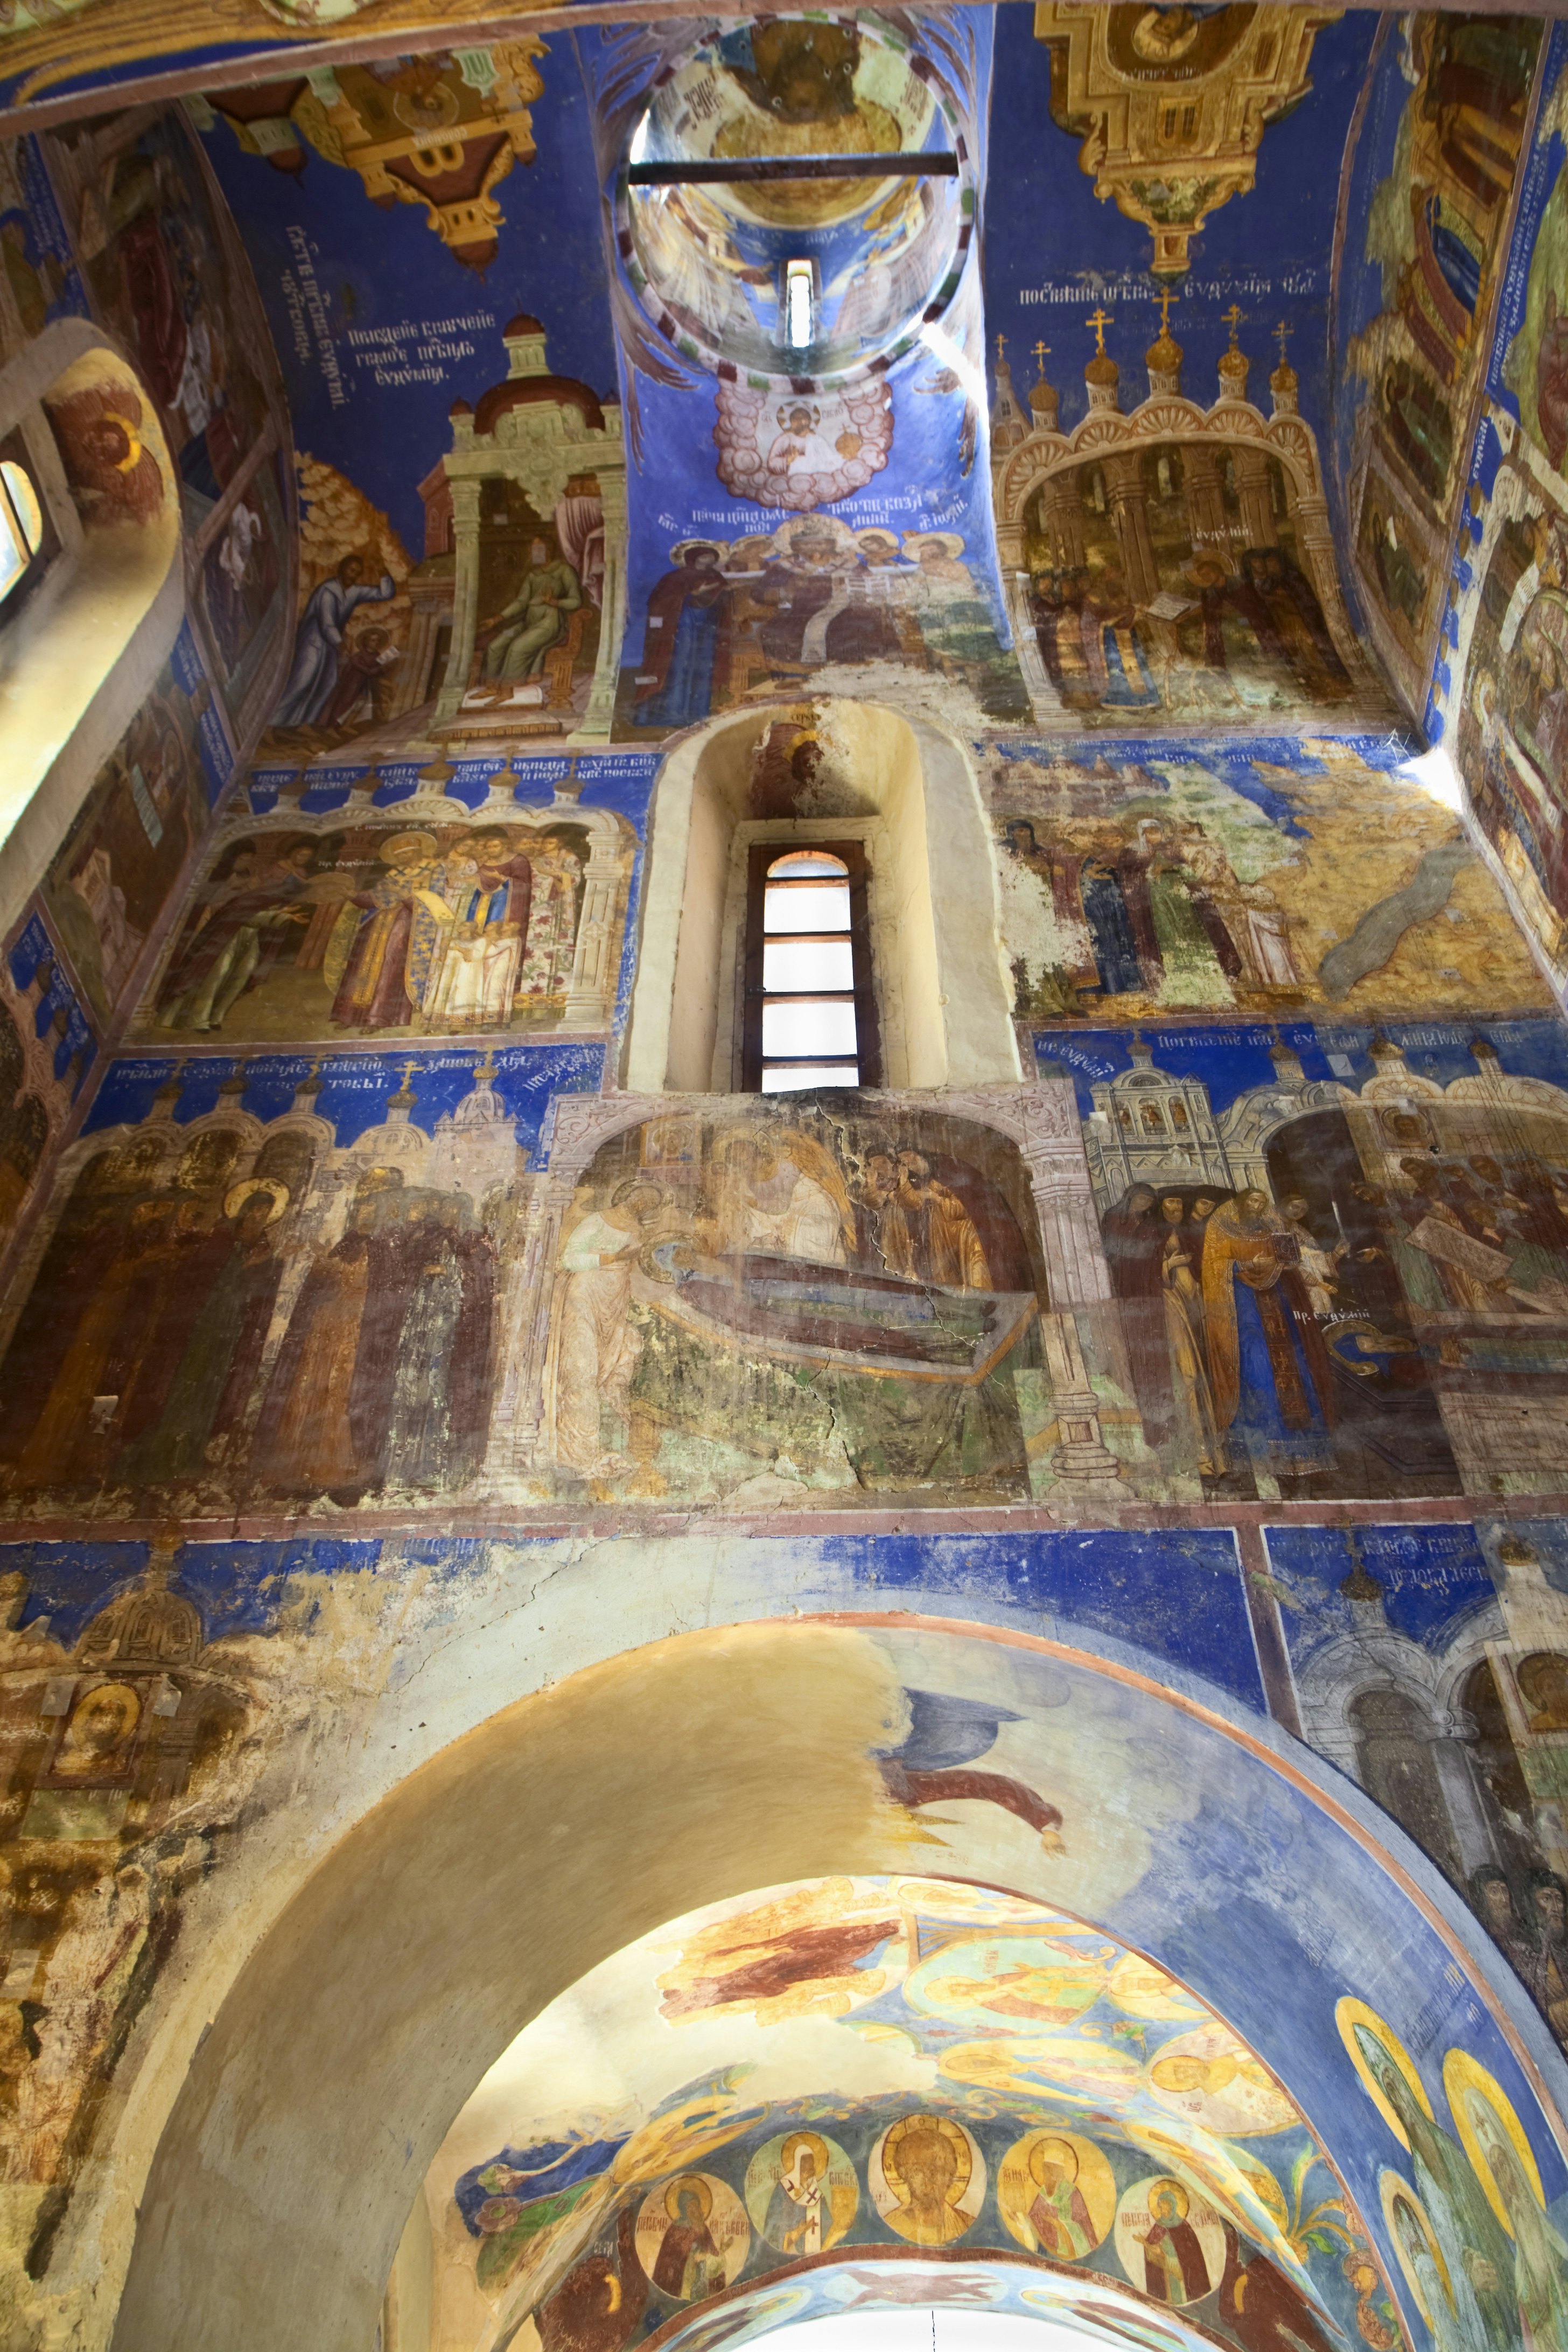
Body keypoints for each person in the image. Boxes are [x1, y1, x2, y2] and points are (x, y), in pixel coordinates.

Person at [550, 1179, 662, 1477]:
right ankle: (578, 1453)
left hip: (615, 1299)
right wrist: (614, 1257)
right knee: (581, 1370)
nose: (644, 1203)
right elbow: (570, 1259)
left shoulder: (639, 1231)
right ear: (627, 1193)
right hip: (585, 1294)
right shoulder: (596, 1220)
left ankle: (592, 1449)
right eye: (642, 1196)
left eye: (651, 1202)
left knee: (607, 1368)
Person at [272, 555, 396, 729]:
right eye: (351, 570)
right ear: (342, 569)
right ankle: (274, 723)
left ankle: (305, 725)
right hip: (313, 641)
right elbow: (327, 622)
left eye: (358, 573)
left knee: (327, 684)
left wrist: (383, 573)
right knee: (303, 680)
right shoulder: (327, 590)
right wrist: (341, 644)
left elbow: (385, 593)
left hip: (331, 644)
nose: (354, 576)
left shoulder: (354, 592)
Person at [635, 545, 735, 727]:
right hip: (683, 624)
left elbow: (723, 600)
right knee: (680, 665)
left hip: (708, 626)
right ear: (694, 557)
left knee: (703, 667)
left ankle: (699, 712)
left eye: (713, 557)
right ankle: (673, 712)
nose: (710, 559)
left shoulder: (716, 577)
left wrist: (726, 593)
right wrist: (690, 595)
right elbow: (658, 602)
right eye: (705, 556)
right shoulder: (675, 578)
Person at [481, 538, 581, 687]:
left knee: (518, 647)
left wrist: (555, 602)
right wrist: (497, 619)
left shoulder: (564, 570)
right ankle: (491, 687)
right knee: (496, 645)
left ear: (548, 550)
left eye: (538, 549)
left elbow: (576, 601)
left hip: (549, 623)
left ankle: (508, 689)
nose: (534, 553)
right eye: (532, 550)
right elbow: (521, 603)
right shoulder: (533, 576)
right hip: (528, 623)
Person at [1021, 2138, 1097, 2260]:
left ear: (1058, 2172)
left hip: (1071, 2244)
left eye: (1049, 2171)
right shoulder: (1043, 2192)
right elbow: (1033, 2216)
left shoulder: (1071, 2192)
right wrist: (1021, 2218)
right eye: (1045, 2170)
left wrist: (1058, 2224)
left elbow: (1084, 2223)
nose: (1046, 2175)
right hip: (1046, 2244)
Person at [1135, 2180, 1210, 2305]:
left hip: (1182, 2276)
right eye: (1161, 2206)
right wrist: (1150, 2248)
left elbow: (1193, 2257)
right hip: (1166, 2276)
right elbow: (1151, 2252)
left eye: (1166, 2206)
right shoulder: (1158, 2227)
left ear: (1173, 2205)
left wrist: (1169, 2256)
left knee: (1182, 2296)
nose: (1163, 2209)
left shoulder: (1184, 2227)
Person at [651, 2177, 725, 2299]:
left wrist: (707, 2256)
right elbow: (666, 2264)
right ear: (684, 2209)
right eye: (691, 2207)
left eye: (697, 2206)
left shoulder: (702, 2229)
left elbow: (712, 2252)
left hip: (701, 2281)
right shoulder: (675, 2230)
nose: (696, 2211)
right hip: (680, 2284)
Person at [764, 2134, 834, 2255]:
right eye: (804, 2171)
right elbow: (772, 2229)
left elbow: (828, 2224)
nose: (807, 2175)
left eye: (810, 2171)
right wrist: (798, 2231)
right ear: (798, 2168)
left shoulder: (817, 2194)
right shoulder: (784, 2188)